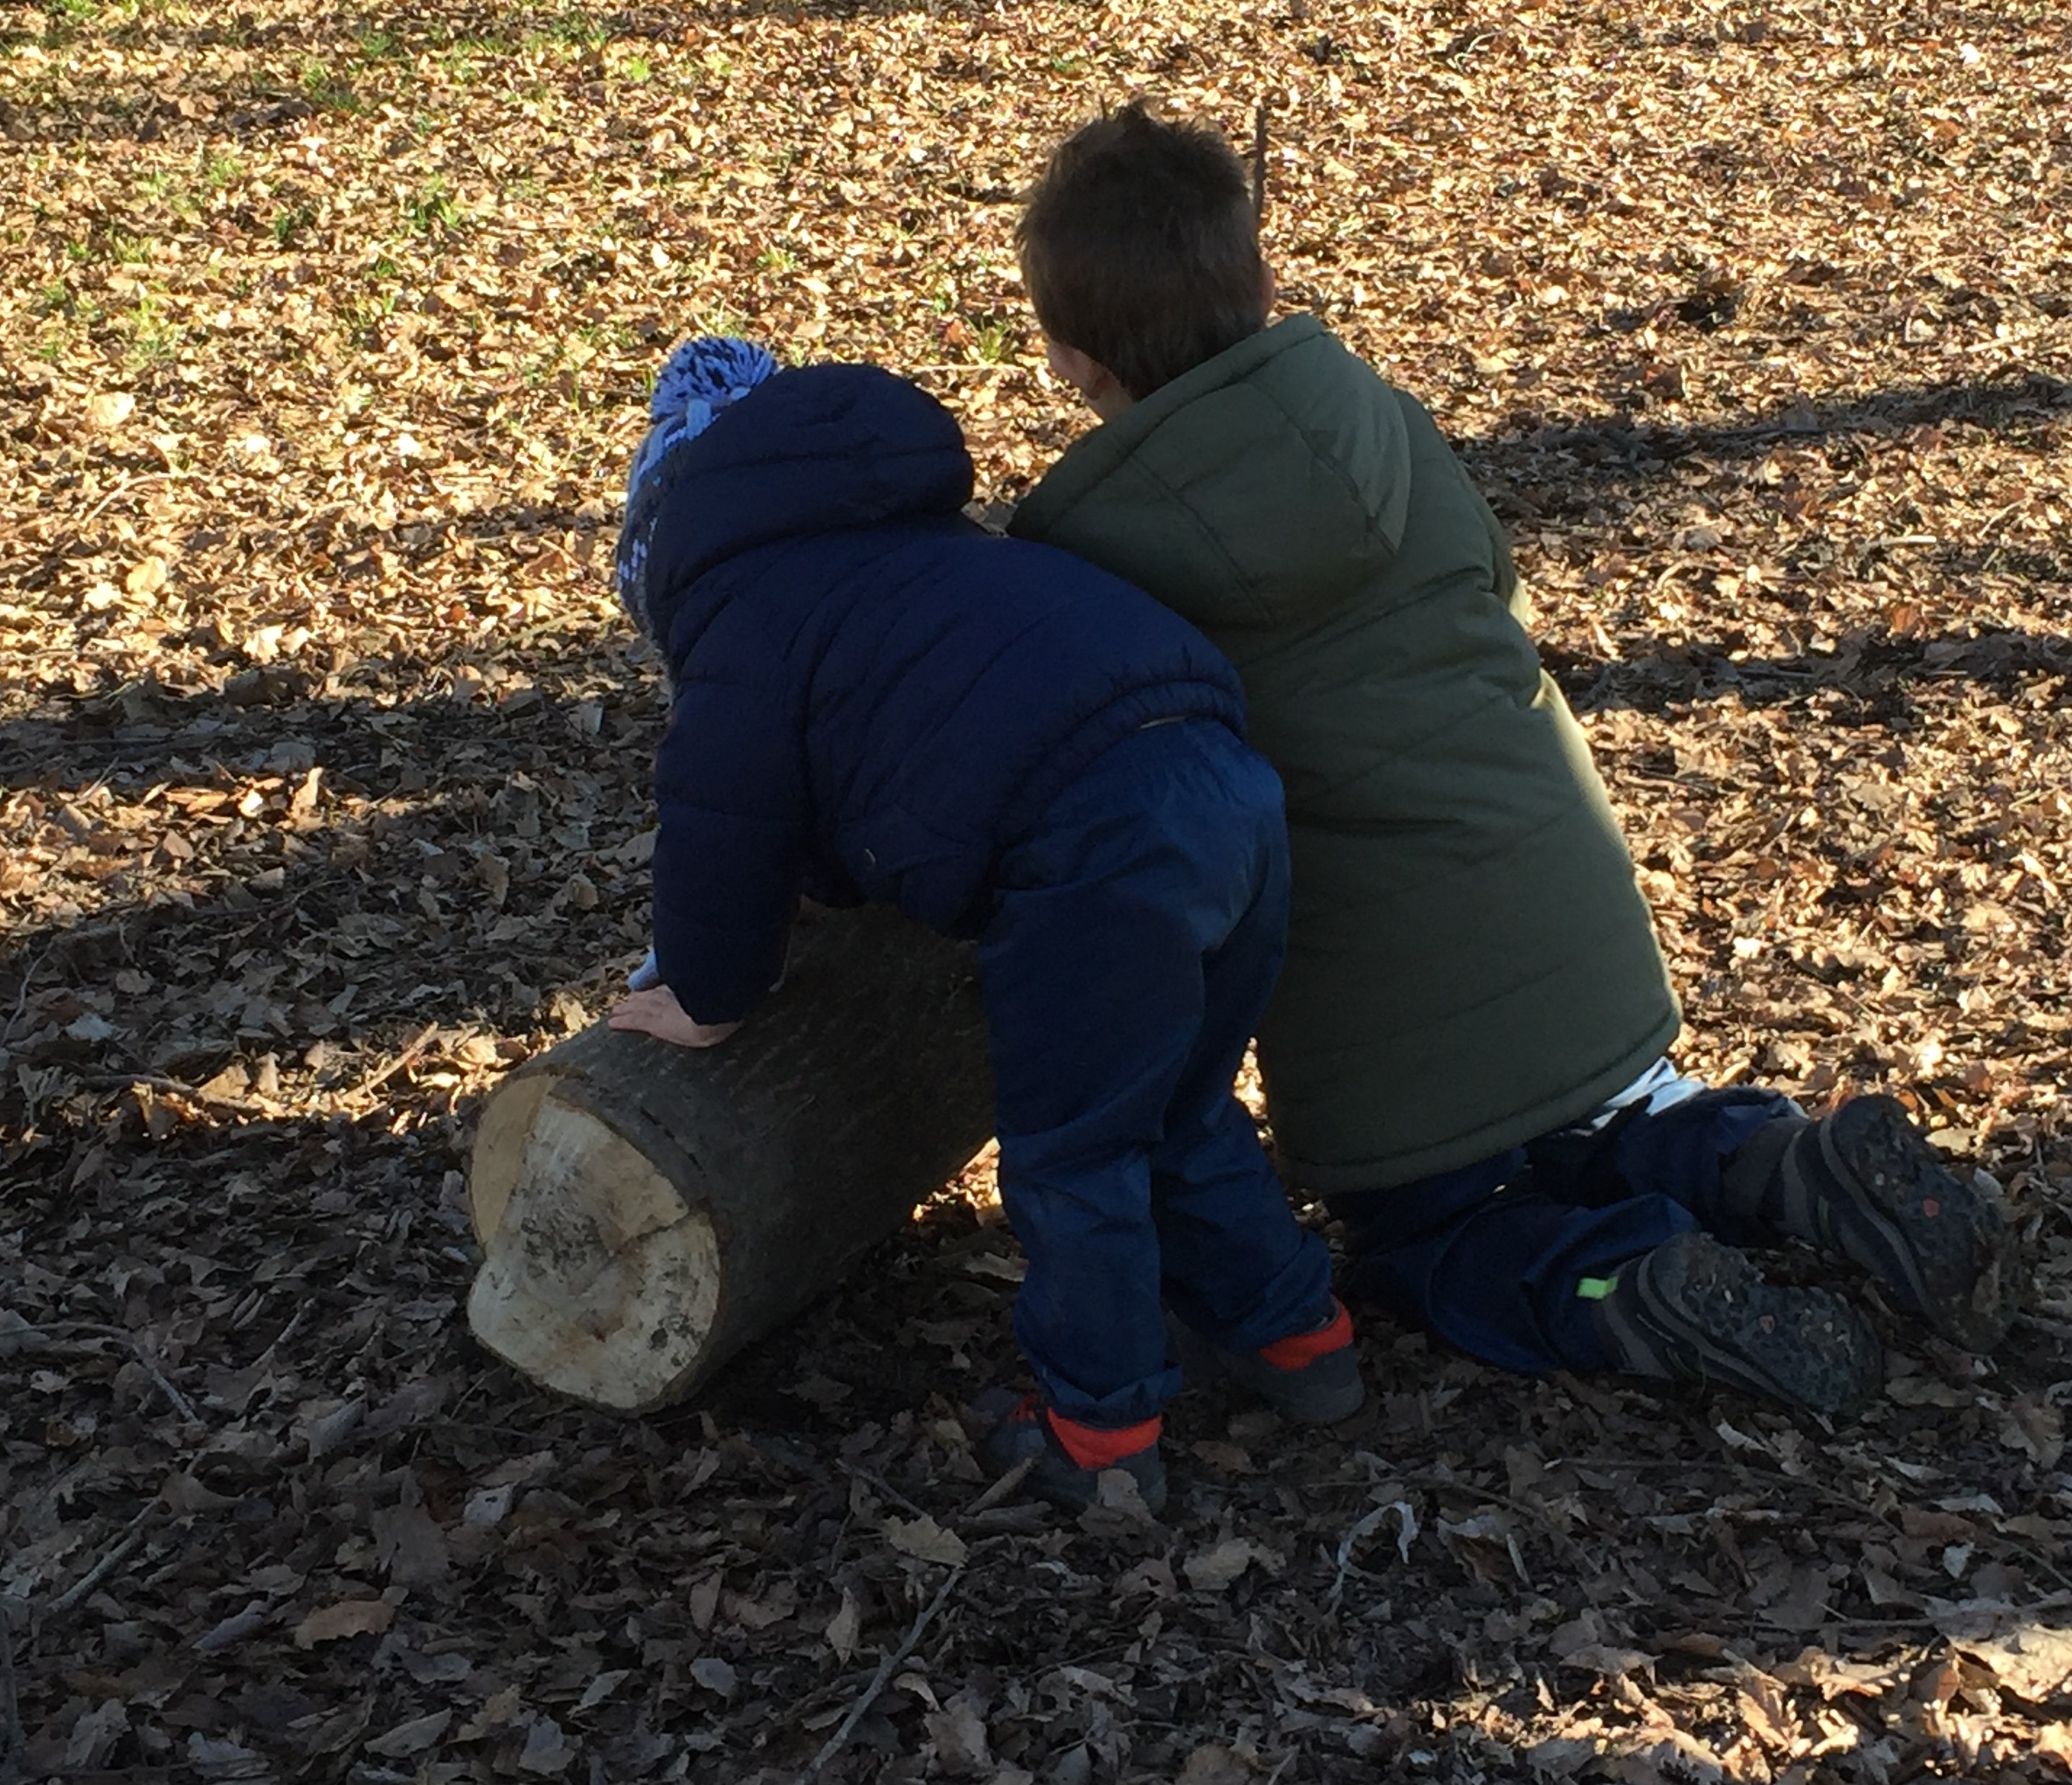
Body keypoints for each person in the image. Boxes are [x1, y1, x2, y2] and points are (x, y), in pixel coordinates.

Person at [1005, 103, 2017, 1419]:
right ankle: (1777, 1165)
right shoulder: (1384, 423)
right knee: (1613, 1123)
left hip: (1383, 1026)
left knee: (1435, 1239)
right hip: (1578, 922)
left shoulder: (1086, 555)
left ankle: (1624, 1284)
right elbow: (1494, 592)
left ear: (1068, 356)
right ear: (1261, 282)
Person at [604, 335, 1364, 1511]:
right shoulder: (908, 546)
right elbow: (891, 738)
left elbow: (724, 810)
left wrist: (706, 990)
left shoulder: (739, 605)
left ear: (664, 542)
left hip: (1093, 841)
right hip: (1226, 778)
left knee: (1075, 1146)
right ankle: (1298, 1338)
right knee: (1179, 1102)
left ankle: (1101, 1432)